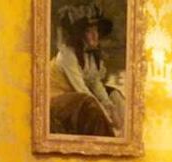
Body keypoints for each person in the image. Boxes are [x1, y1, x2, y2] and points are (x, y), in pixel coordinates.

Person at [49, 2, 124, 137]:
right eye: (90, 31)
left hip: (76, 95)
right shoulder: (67, 54)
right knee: (89, 102)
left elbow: (95, 82)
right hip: (56, 99)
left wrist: (109, 105)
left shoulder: (89, 54)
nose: (96, 36)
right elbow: (81, 89)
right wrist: (107, 116)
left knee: (115, 95)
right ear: (80, 35)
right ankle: (110, 135)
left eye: (96, 31)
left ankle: (122, 135)